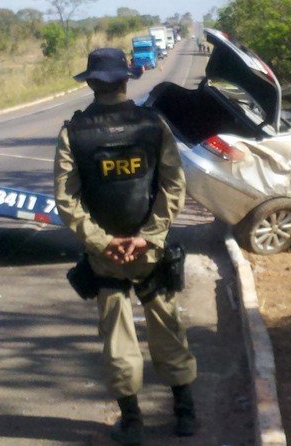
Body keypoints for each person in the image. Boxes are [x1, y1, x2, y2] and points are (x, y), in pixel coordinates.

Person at [53, 47, 198, 445]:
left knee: (117, 337)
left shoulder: (73, 134)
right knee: (168, 328)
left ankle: (133, 424)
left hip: (106, 259)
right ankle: (185, 415)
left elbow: (67, 200)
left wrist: (103, 242)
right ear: (124, 80)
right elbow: (173, 185)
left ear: (92, 83)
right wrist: (149, 236)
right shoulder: (153, 125)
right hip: (150, 254)